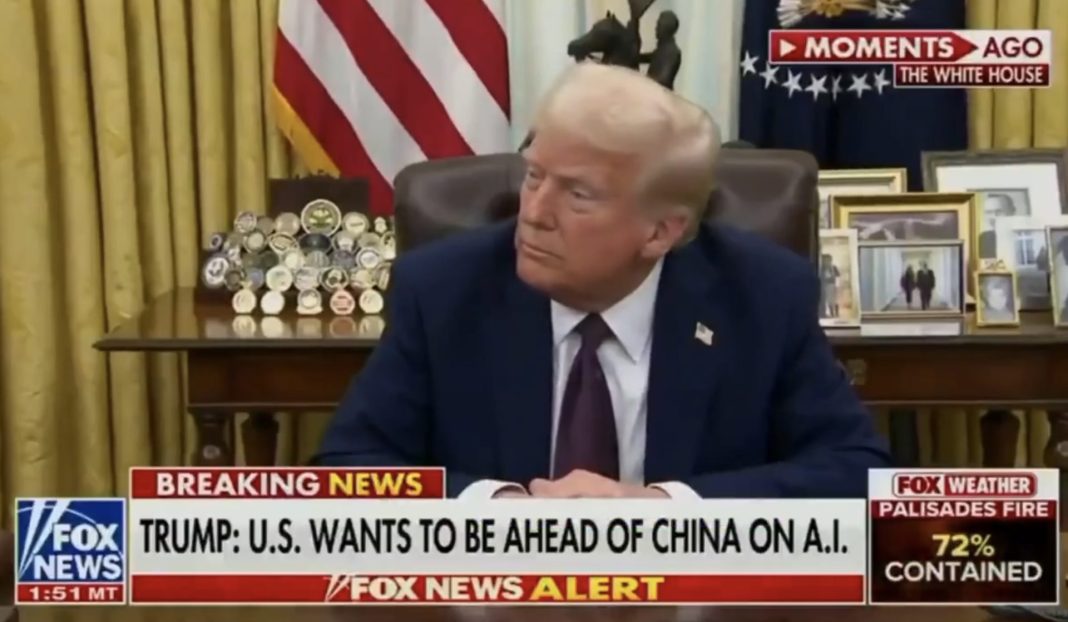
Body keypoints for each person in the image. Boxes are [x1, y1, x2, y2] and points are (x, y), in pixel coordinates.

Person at [315, 62, 890, 499]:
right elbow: (346, 469)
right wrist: (498, 508)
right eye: (534, 176)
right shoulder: (444, 289)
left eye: (578, 194)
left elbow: (857, 472)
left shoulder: (762, 296)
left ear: (660, 232)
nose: (534, 212)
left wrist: (664, 509)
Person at [639, 11, 681, 90]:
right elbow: (641, 58)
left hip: (658, 95)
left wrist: (640, 81)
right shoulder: (661, 49)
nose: (656, 28)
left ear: (666, 29)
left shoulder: (672, 52)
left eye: (659, 25)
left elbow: (663, 80)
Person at [977, 193, 1016, 259]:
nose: (994, 216)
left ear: (1012, 211)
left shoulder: (1024, 235)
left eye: (999, 211)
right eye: (988, 212)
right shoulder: (984, 238)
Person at [819, 253, 840, 318]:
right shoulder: (822, 268)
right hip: (825, 285)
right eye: (825, 260)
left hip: (832, 284)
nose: (827, 261)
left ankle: (836, 313)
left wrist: (837, 285)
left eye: (828, 260)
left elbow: (838, 276)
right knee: (828, 300)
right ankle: (832, 313)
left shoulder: (833, 267)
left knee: (834, 299)